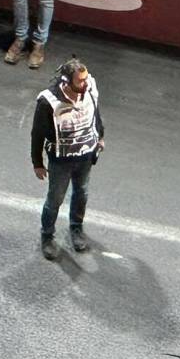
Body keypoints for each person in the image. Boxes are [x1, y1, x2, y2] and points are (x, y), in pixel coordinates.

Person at [31, 57, 104, 260]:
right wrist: (37, 162)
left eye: (86, 78)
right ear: (66, 81)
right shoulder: (48, 102)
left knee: (81, 193)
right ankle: (47, 236)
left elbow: (95, 111)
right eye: (80, 80)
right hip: (61, 160)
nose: (85, 83)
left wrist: (101, 135)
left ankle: (76, 228)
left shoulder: (89, 88)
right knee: (55, 200)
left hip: (85, 156)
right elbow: (36, 134)